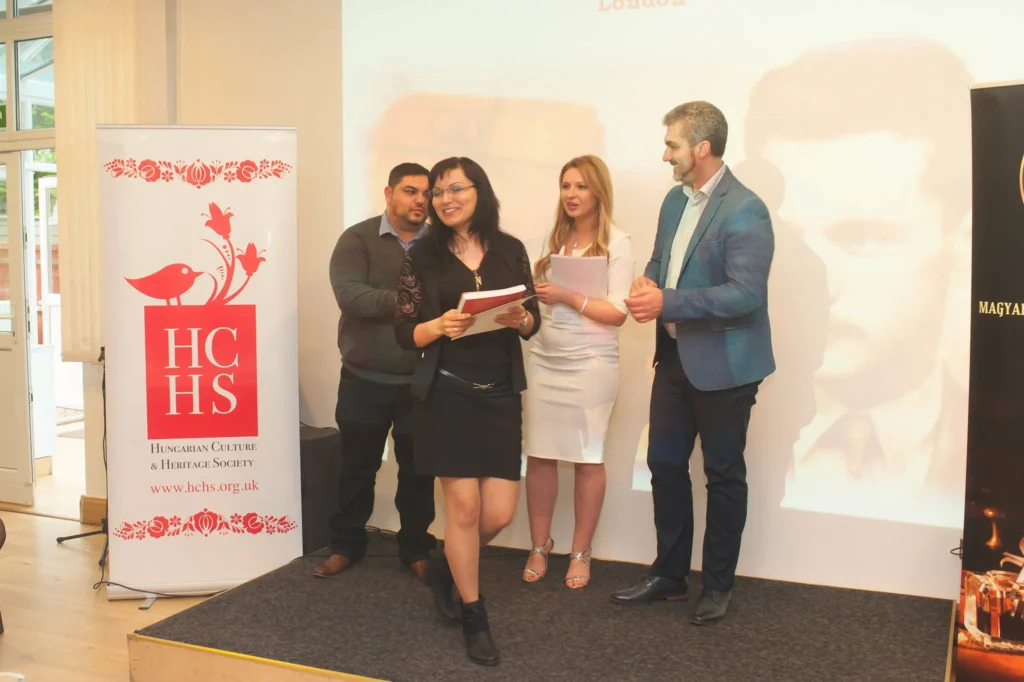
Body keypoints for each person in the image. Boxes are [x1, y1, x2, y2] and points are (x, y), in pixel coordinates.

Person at [617, 101, 775, 625]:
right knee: (664, 464)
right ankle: (669, 575)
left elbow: (746, 295)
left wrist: (668, 301)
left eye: (672, 145)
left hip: (726, 366)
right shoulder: (673, 201)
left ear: (701, 148)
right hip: (673, 359)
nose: (666, 155)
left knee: (723, 474)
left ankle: (718, 585)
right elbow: (661, 262)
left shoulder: (746, 209)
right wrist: (647, 281)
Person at [394, 156, 540, 666]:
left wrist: (522, 319)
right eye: (437, 192)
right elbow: (405, 332)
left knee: (498, 513)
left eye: (456, 188)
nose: (445, 199)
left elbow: (532, 321)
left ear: (480, 191)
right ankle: (474, 615)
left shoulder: (511, 249)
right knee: (463, 509)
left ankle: (445, 566)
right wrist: (440, 326)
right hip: (447, 395)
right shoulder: (422, 255)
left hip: (500, 394)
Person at [316, 163, 437, 581]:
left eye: (426, 193)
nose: (420, 200)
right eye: (410, 191)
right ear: (389, 194)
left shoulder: (441, 244)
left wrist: (404, 303)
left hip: (421, 380)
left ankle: (416, 549)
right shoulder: (357, 239)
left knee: (418, 472)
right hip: (363, 378)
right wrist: (410, 302)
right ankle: (345, 546)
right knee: (356, 468)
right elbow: (351, 296)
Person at [521, 154, 633, 589]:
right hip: (545, 359)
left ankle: (581, 552)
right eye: (566, 185)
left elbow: (618, 313)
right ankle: (539, 545)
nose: (571, 194)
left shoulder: (617, 242)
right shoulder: (553, 238)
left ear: (598, 191)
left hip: (591, 363)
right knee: (540, 454)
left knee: (588, 457)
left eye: (581, 186)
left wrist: (568, 296)